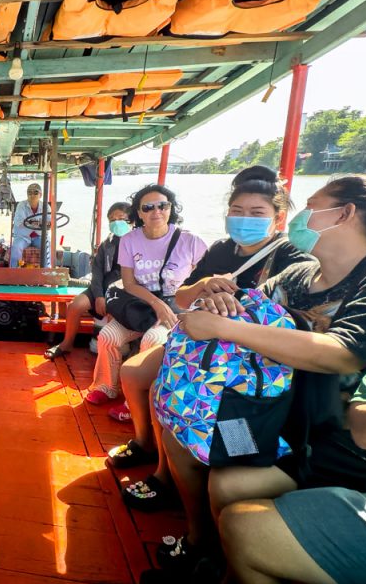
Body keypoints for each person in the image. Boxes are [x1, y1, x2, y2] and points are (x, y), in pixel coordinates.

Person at [169, 176, 366, 570]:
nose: (301, 217)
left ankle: (230, 566)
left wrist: (224, 328)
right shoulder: (298, 275)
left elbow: (341, 355)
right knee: (180, 432)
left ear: (344, 213)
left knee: (228, 480)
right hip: (271, 412)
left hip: (333, 438)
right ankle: (201, 540)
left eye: (311, 204)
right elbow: (247, 309)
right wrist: (220, 302)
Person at [112, 167, 312, 513]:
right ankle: (148, 446)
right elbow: (184, 296)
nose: (244, 219)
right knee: (134, 375)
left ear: (278, 218)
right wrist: (205, 286)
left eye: (256, 213)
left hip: (245, 361)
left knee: (168, 390)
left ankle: (168, 475)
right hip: (200, 346)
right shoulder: (221, 250)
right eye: (237, 211)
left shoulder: (291, 260)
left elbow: (294, 322)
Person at [220, 312, 366, 584]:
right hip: (274, 419)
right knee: (230, 486)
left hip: (328, 441)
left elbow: (340, 354)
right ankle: (219, 576)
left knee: (234, 481)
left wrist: (230, 328)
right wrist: (215, 304)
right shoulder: (291, 271)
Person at [80, 185, 207, 421]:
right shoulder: (129, 240)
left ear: (171, 208)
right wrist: (155, 304)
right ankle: (106, 386)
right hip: (140, 306)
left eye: (162, 205)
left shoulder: (191, 241)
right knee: (108, 336)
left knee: (153, 339)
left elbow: (205, 281)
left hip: (175, 310)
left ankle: (136, 402)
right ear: (139, 213)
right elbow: (128, 283)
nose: (156, 211)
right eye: (148, 207)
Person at [45, 201, 132, 359]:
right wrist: (99, 295)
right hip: (101, 288)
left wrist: (108, 296)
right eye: (112, 219)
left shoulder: (137, 243)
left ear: (131, 220)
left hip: (123, 291)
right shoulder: (108, 243)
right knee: (75, 306)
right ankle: (67, 343)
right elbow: (97, 271)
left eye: (120, 218)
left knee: (114, 313)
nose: (115, 222)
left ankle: (113, 351)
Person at [10, 183, 45, 267]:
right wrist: (39, 223)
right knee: (16, 248)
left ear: (40, 194)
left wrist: (30, 222)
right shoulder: (21, 205)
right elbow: (20, 222)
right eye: (29, 192)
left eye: (35, 192)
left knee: (48, 247)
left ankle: (47, 271)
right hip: (23, 236)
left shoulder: (46, 207)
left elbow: (49, 223)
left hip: (38, 236)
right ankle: (14, 273)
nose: (32, 195)